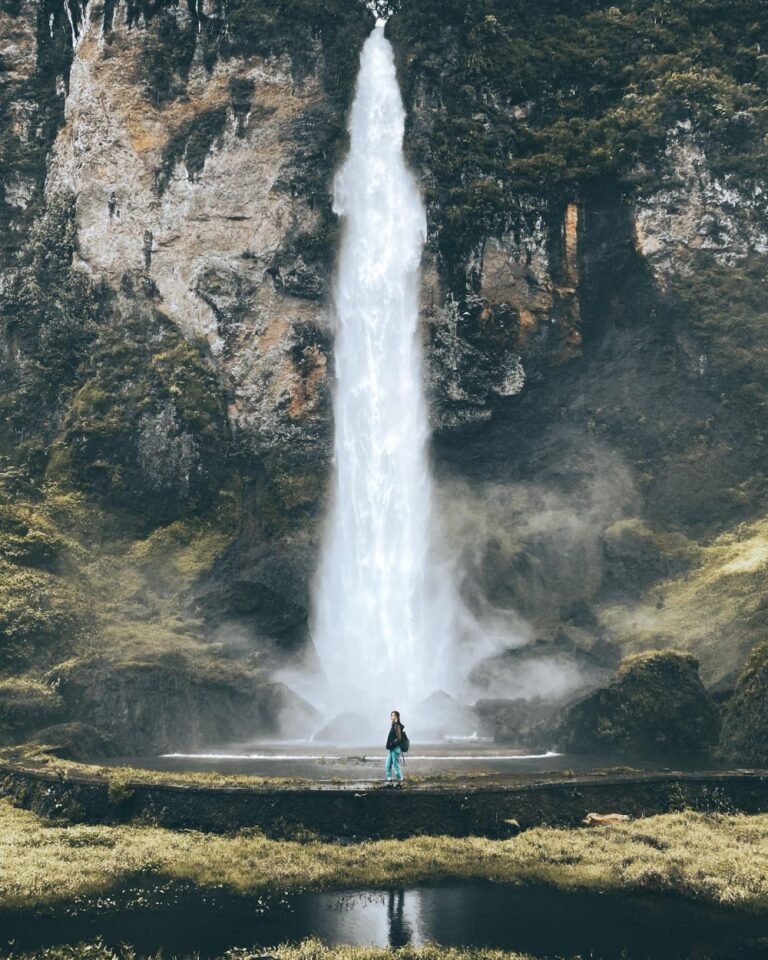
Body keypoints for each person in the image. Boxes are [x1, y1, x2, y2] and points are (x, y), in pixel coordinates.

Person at [385, 710, 405, 786]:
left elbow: (399, 738)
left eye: (393, 715)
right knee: (387, 765)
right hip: (391, 749)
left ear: (396, 717)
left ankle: (400, 782)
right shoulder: (393, 725)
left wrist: (392, 743)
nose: (391, 717)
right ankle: (389, 782)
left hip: (396, 749)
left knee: (396, 766)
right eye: (391, 715)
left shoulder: (397, 726)